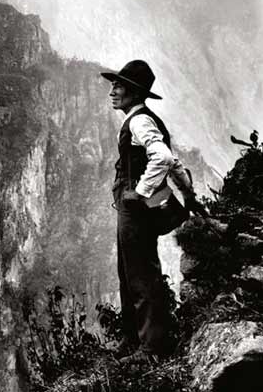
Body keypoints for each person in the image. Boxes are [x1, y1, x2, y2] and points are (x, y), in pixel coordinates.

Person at [102, 59, 204, 364]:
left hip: (135, 209)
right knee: (129, 270)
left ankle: (151, 348)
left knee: (141, 274)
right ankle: (132, 339)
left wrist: (140, 192)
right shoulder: (143, 119)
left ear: (133, 92)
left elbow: (162, 156)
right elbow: (172, 163)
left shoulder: (139, 121)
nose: (113, 91)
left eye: (118, 86)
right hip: (134, 207)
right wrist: (188, 195)